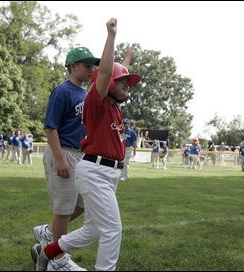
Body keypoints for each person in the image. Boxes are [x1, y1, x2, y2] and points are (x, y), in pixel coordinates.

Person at [31, 18, 141, 271]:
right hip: (94, 168)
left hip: (106, 169)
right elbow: (106, 74)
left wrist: (126, 60)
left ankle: (46, 250)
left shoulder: (112, 105)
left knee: (94, 228)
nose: (128, 85)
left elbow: (113, 76)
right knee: (112, 229)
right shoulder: (96, 101)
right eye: (124, 81)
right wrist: (111, 35)